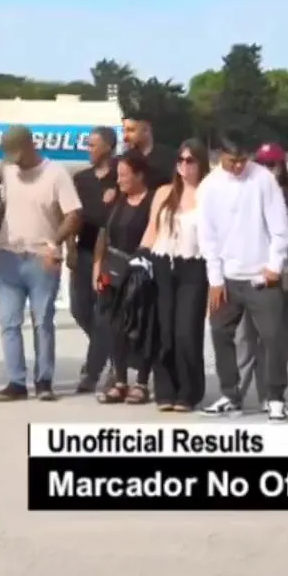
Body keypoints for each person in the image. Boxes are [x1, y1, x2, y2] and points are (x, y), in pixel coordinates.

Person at [196, 130, 288, 421]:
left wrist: (274, 265)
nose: (238, 166)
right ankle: (229, 394)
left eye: (243, 160)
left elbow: (280, 228)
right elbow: (208, 237)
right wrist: (215, 280)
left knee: (273, 336)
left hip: (261, 277)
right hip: (227, 277)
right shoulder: (209, 186)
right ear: (219, 156)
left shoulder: (263, 179)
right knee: (219, 333)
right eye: (232, 161)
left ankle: (275, 398)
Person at [0, 124, 82, 401]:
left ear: (30, 146)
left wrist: (57, 243)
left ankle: (44, 381)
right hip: (9, 255)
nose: (15, 162)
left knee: (42, 321)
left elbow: (73, 214)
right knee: (9, 321)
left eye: (17, 155)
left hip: (42, 257)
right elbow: (6, 206)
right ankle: (16, 382)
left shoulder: (56, 174)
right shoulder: (9, 172)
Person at [234, 142, 288, 410]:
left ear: (282, 166)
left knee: (277, 340)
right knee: (245, 338)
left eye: (272, 164)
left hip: (286, 277)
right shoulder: (245, 192)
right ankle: (236, 394)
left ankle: (271, 394)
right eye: (261, 164)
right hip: (251, 275)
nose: (267, 169)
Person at [147, 139, 211, 411]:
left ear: (201, 163)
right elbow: (152, 229)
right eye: (181, 160)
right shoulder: (164, 192)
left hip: (194, 265)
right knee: (164, 329)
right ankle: (165, 389)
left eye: (190, 160)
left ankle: (189, 390)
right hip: (163, 262)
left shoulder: (209, 194)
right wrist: (140, 257)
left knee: (186, 330)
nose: (185, 165)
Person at [92, 150, 156, 405]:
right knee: (114, 326)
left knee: (142, 326)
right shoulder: (116, 201)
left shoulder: (153, 201)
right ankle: (120, 380)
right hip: (115, 271)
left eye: (123, 175)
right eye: (117, 175)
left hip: (141, 273)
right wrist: (98, 266)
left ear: (139, 175)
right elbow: (104, 236)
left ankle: (142, 381)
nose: (118, 180)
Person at [70, 126, 118, 394]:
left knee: (103, 315)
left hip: (111, 256)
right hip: (84, 251)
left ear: (108, 147)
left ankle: (92, 371)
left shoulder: (121, 176)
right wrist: (70, 248)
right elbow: (71, 214)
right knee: (80, 310)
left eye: (92, 145)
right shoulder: (81, 179)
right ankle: (110, 352)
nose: (88, 149)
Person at [119, 111, 176, 190]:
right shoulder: (124, 158)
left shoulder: (168, 156)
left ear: (146, 130)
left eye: (131, 130)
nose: (125, 137)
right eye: (123, 131)